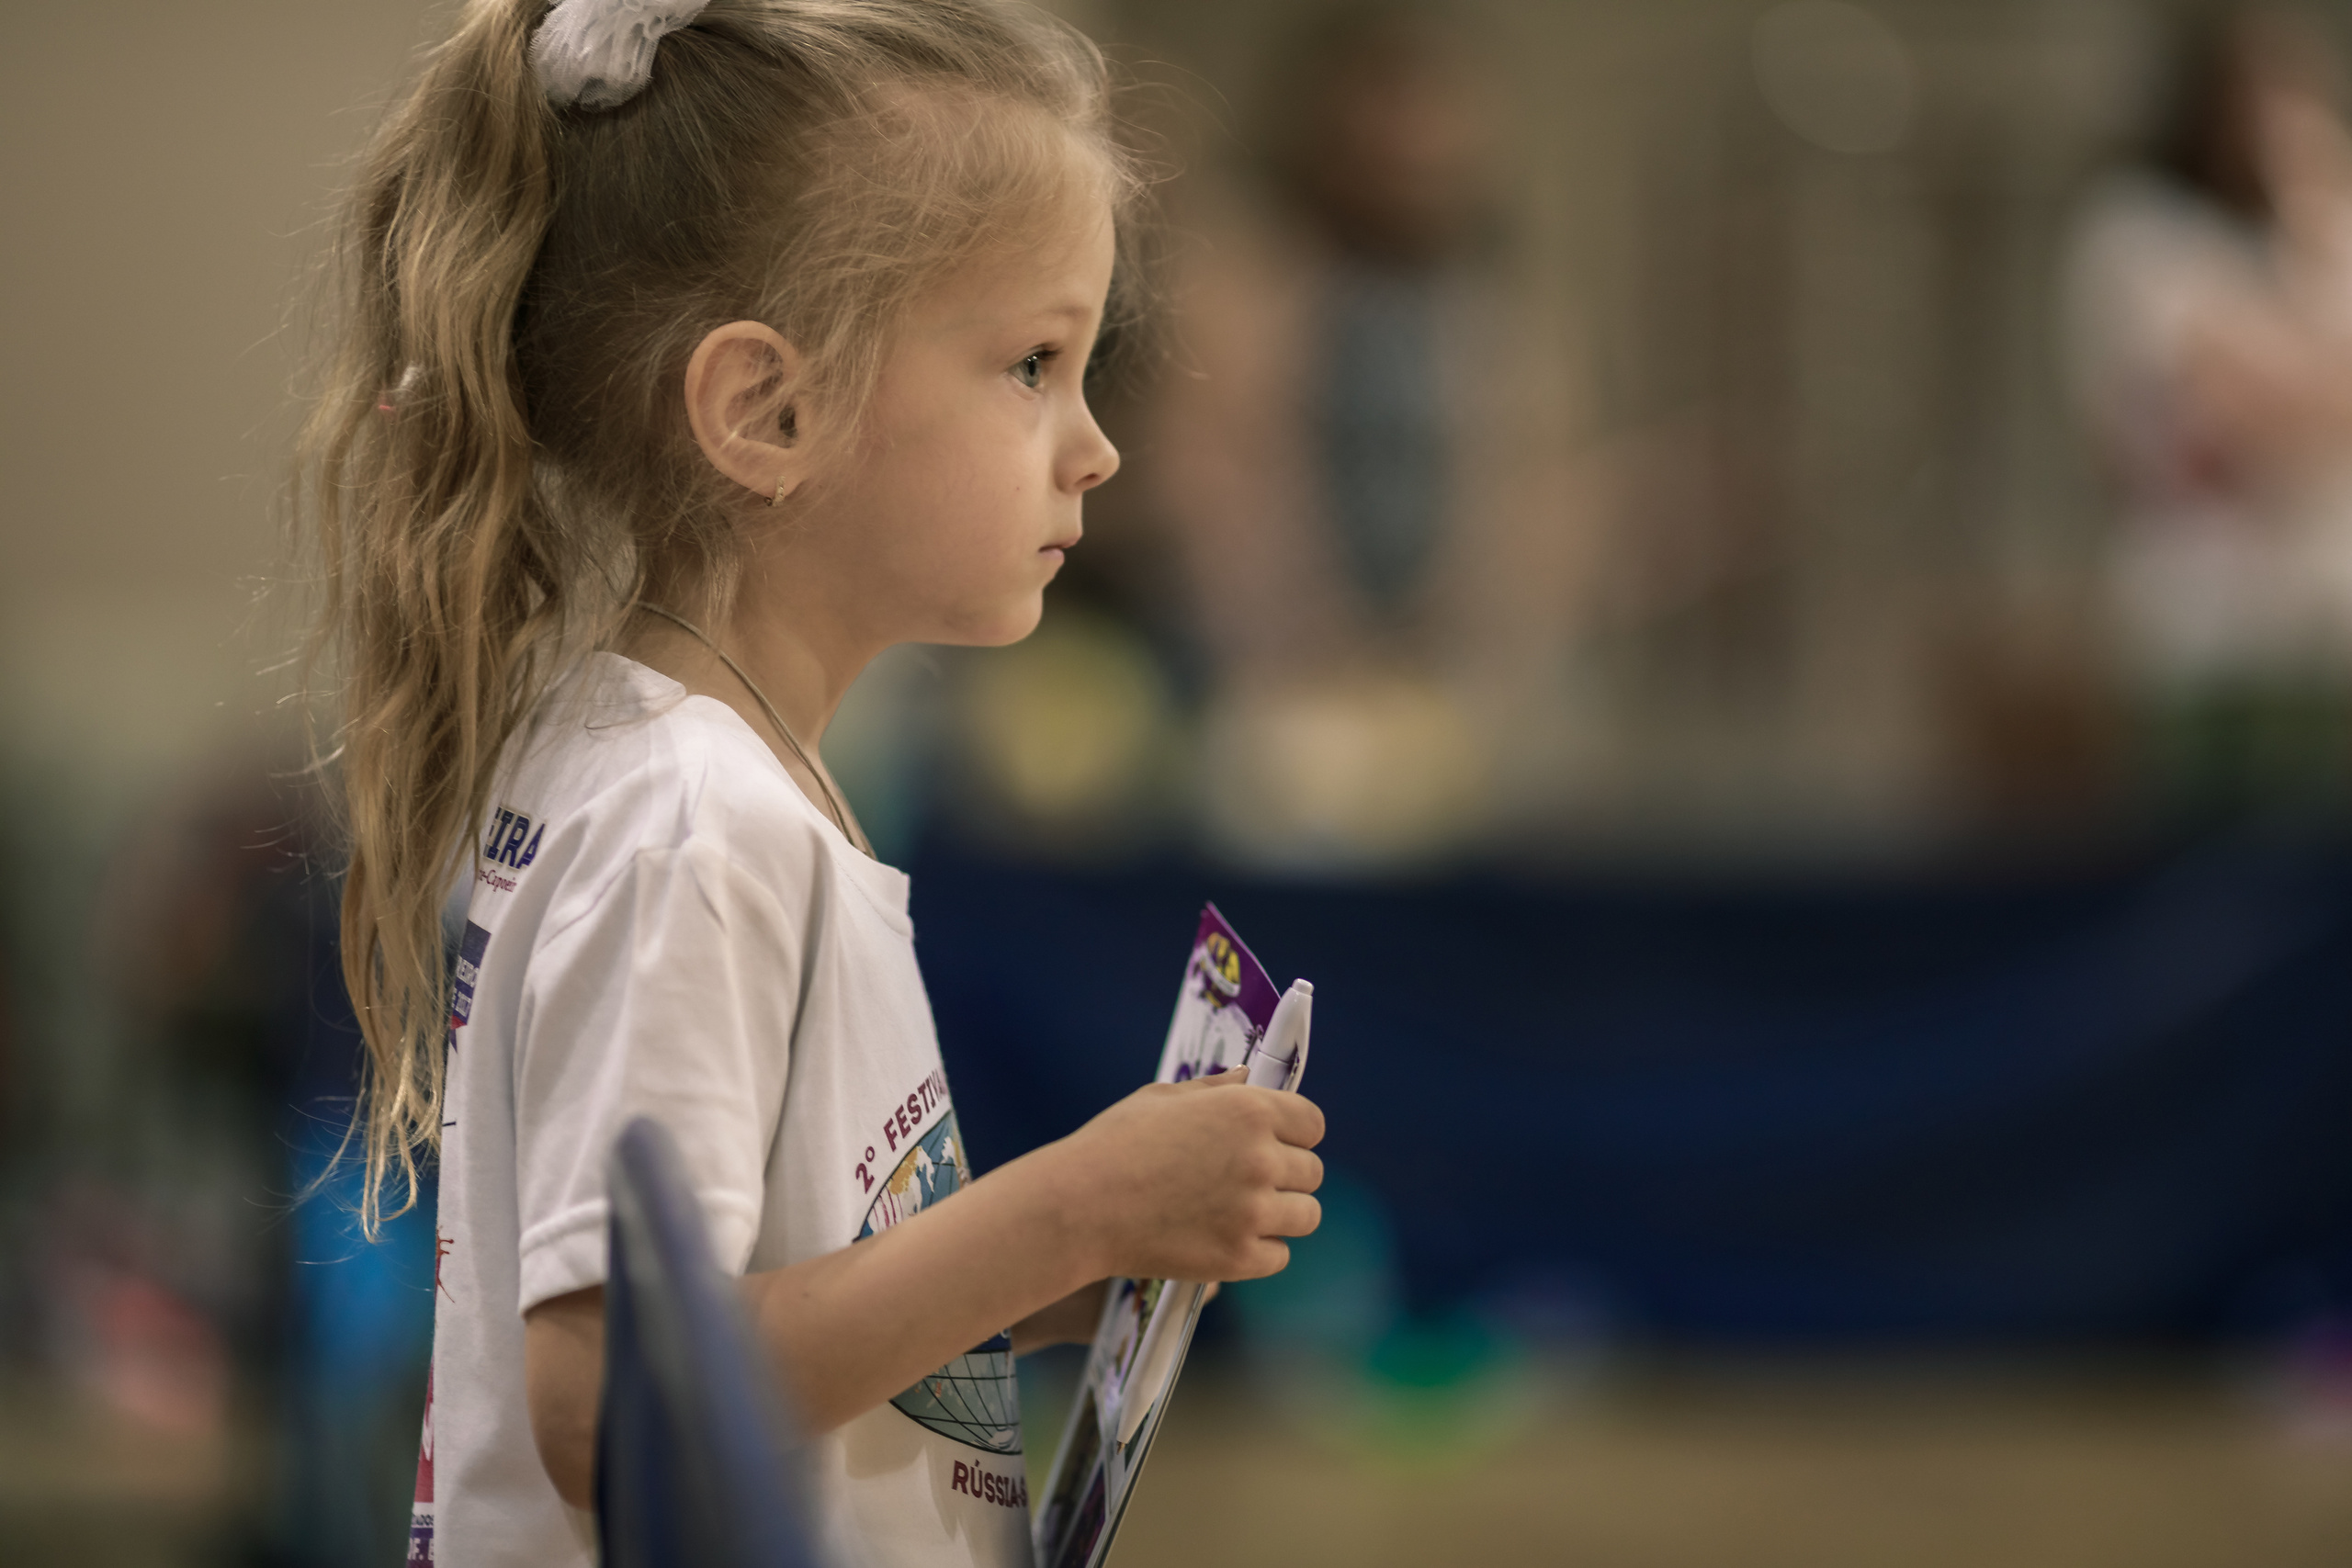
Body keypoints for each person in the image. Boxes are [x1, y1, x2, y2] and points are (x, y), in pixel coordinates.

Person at [295, 3, 1327, 1564]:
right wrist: (1068, 1209)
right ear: (766, 412)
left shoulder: (692, 777)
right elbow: (612, 1406)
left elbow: (770, 1303)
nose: (1096, 446)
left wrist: (1060, 1285)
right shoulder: (690, 829)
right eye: (1032, 364)